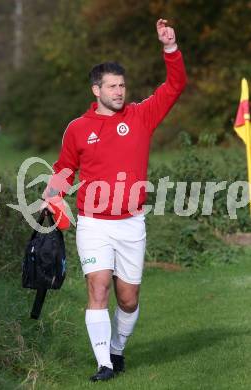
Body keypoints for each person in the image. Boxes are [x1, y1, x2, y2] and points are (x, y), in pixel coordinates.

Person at [43, 18, 186, 382]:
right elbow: (64, 168)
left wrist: (170, 48)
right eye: (112, 86)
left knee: (128, 298)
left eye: (122, 85)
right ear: (96, 90)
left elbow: (175, 86)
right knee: (98, 288)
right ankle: (104, 363)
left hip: (131, 222)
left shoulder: (141, 117)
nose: (119, 91)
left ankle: (119, 348)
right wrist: (52, 194)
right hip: (93, 223)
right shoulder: (78, 128)